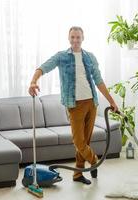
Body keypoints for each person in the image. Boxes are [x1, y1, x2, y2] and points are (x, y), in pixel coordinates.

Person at [28, 26, 118, 185]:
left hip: (91, 103)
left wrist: (111, 101)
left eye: (78, 37)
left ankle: (78, 174)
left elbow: (99, 81)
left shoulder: (90, 57)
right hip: (74, 105)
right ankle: (94, 160)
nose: (75, 40)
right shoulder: (61, 56)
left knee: (86, 141)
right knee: (79, 141)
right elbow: (43, 68)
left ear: (83, 38)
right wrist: (33, 81)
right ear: (69, 38)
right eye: (73, 37)